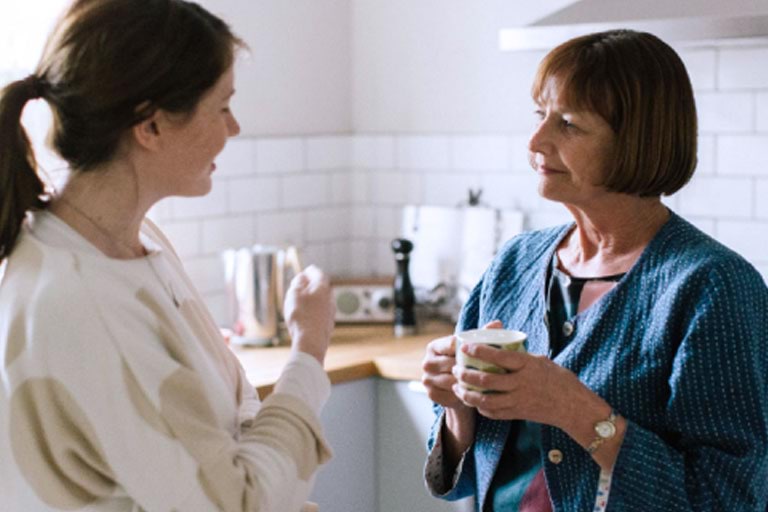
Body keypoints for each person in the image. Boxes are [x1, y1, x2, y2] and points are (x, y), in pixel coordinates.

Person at [0, 1, 335, 511]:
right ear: (150, 125)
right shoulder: (81, 298)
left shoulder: (135, 242)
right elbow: (240, 503)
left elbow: (229, 425)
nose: (235, 128)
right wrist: (309, 351)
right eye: (222, 106)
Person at [421, 29, 768, 511]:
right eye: (540, 115)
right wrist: (457, 408)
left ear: (636, 141)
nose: (536, 141)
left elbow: (727, 498)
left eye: (567, 124)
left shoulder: (713, 287)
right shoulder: (514, 264)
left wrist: (575, 410)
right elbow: (462, 475)